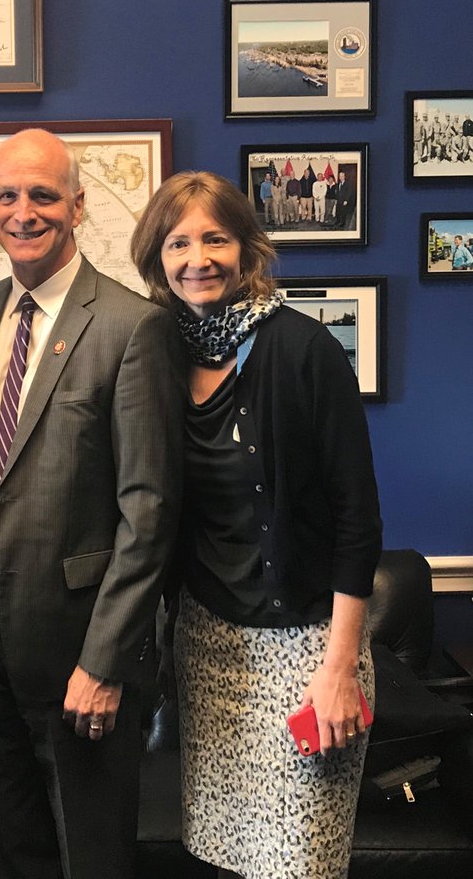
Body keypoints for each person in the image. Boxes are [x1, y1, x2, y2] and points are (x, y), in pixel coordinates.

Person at [0, 128, 183, 879]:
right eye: (8, 196)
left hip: (80, 646)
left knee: (91, 854)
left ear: (77, 206)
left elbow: (149, 512)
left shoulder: (131, 326)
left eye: (44, 195)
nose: (25, 212)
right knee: (11, 847)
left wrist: (105, 661)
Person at [130, 171, 382, 879]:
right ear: (156, 258)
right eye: (178, 243)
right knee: (222, 852)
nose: (197, 259)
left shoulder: (304, 349)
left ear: (246, 248)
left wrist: (339, 669)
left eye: (215, 239)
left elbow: (358, 518)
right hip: (209, 645)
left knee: (300, 861)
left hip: (307, 651)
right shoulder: (157, 354)